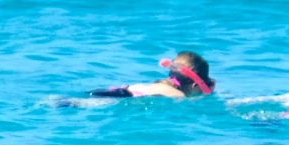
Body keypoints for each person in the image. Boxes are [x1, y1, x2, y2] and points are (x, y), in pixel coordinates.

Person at [87, 51, 216, 100]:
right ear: (194, 86)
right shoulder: (178, 95)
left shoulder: (157, 85)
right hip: (118, 98)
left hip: (114, 92)